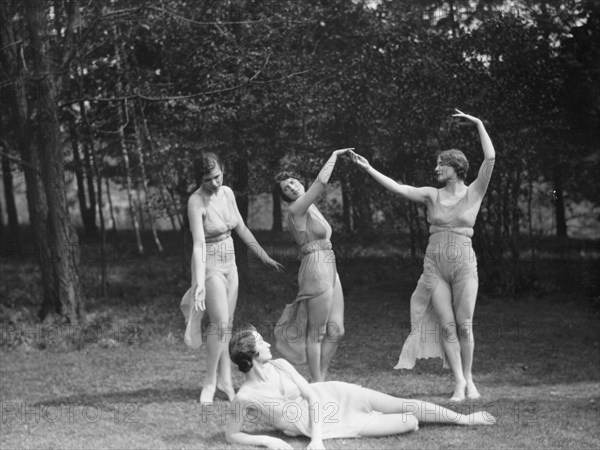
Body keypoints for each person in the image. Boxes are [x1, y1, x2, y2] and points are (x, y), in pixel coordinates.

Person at [350, 110, 495, 402]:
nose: (437, 168)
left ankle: (469, 379)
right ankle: (457, 382)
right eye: (437, 164)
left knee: (464, 324)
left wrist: (478, 123)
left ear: (456, 167)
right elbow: (401, 189)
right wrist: (369, 169)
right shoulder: (432, 194)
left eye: (442, 164)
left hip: (464, 263)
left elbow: (490, 159)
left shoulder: (475, 191)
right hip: (435, 265)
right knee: (447, 325)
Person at [225, 327, 496, 449]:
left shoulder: (281, 365)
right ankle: (380, 420)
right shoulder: (245, 397)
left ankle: (463, 419)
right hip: (333, 421)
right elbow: (232, 435)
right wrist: (268, 440)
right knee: (409, 422)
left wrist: (316, 440)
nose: (268, 344)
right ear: (249, 355)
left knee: (404, 404)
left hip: (335, 396)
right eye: (261, 342)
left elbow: (311, 396)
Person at [180, 152, 284, 405]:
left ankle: (226, 380)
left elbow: (242, 228)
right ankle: (209, 381)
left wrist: (263, 255)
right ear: (199, 179)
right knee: (220, 325)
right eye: (207, 179)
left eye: (217, 176)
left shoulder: (227, 193)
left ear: (222, 171)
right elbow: (198, 245)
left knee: (226, 326)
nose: (214, 182)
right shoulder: (196, 202)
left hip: (231, 264)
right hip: (211, 266)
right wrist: (201, 285)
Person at [273, 148, 352, 382]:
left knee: (337, 330)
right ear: (286, 197)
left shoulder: (310, 206)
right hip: (315, 267)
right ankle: (317, 384)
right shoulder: (296, 208)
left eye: (292, 182)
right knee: (316, 332)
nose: (291, 187)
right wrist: (334, 156)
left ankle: (321, 380)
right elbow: (320, 183)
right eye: (286, 188)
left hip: (330, 264)